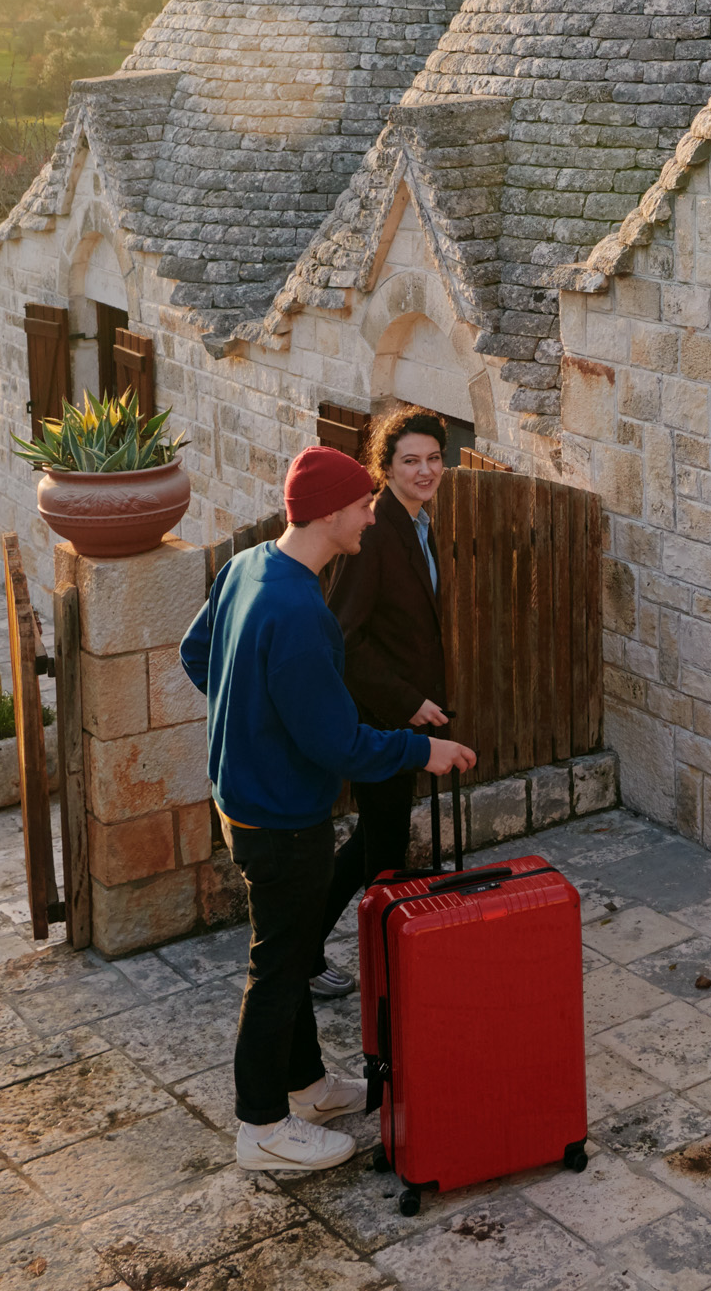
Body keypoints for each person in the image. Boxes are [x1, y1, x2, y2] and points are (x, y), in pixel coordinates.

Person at [181, 442, 478, 1173]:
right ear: (328, 513)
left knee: (284, 949)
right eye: (362, 508)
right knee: (278, 968)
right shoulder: (300, 609)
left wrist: (245, 725)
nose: (371, 520)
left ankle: (306, 1086)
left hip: (245, 800)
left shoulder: (249, 565)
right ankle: (262, 1126)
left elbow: (199, 654)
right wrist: (422, 752)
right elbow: (340, 743)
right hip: (280, 818)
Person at [302, 408, 454, 1000]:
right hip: (381, 719)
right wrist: (407, 700)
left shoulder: (418, 520)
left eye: (434, 459)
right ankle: (389, 981)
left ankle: (309, 948)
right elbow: (345, 635)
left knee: (376, 839)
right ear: (385, 468)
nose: (425, 471)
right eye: (410, 461)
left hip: (409, 714)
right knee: (384, 855)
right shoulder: (376, 530)